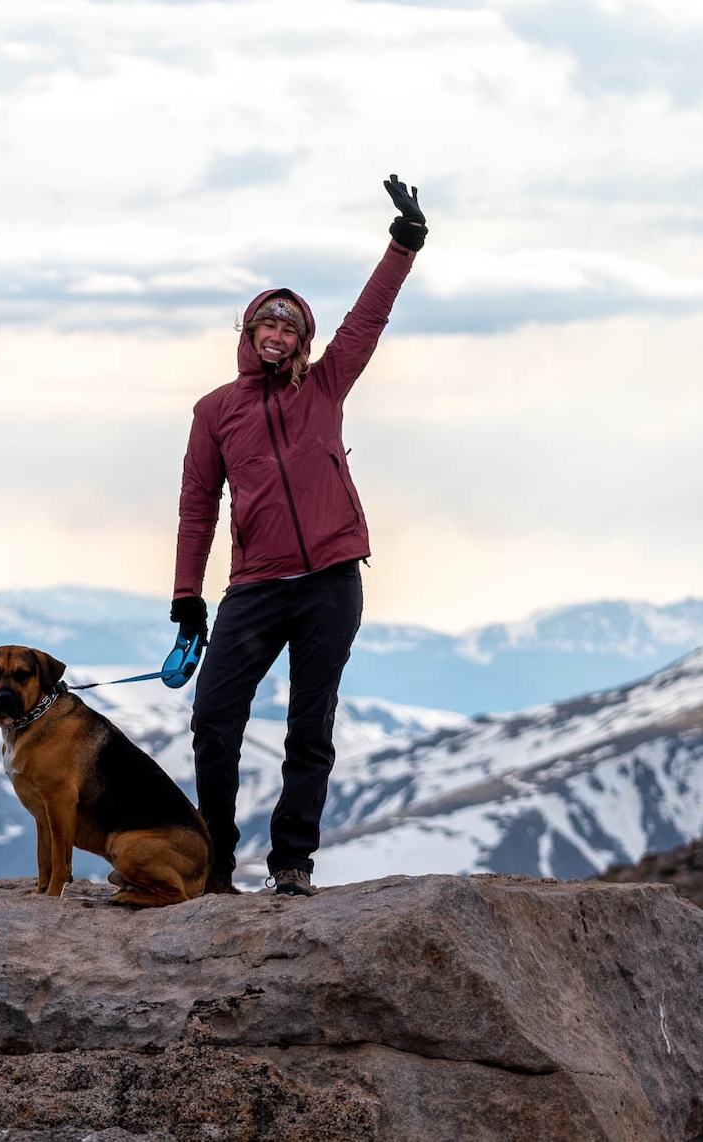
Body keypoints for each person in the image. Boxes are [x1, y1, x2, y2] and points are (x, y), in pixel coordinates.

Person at [172, 175, 426, 897]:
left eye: (290, 329)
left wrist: (402, 245)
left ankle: (292, 864)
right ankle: (214, 862)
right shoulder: (215, 411)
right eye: (267, 327)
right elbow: (198, 507)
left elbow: (366, 320)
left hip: (331, 582)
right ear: (249, 336)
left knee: (308, 727)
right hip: (254, 587)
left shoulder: (325, 385)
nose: (278, 336)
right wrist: (187, 598)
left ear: (302, 341)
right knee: (214, 720)